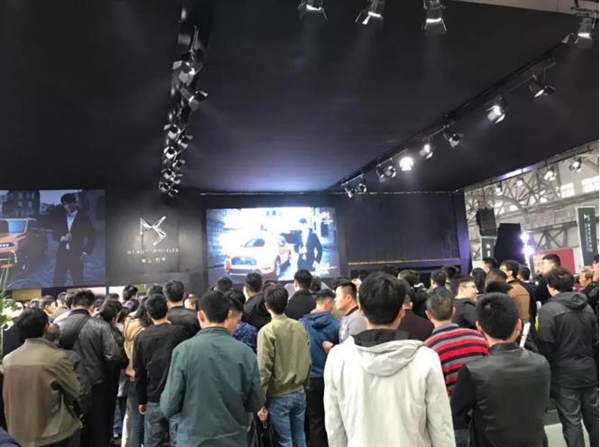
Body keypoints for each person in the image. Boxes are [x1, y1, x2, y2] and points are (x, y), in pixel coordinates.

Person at [324, 272, 454, 446]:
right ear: (401, 312)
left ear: (361, 311)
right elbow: (441, 426)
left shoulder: (338, 358)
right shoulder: (426, 359)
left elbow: (334, 426)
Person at [160, 291, 264, 447]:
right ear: (228, 315)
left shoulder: (183, 351)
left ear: (201, 316)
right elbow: (256, 401)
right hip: (233, 438)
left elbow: (169, 406)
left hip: (193, 439)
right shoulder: (245, 352)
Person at [451, 293, 550, 447]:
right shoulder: (541, 363)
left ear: (479, 327)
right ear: (518, 324)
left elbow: (457, 414)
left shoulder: (473, 370)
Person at [537, 267, 599, 447]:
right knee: (595, 419)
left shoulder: (548, 311)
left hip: (563, 374)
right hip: (588, 370)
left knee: (572, 422)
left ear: (550, 287)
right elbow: (596, 341)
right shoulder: (587, 307)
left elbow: (545, 344)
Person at [3, 309, 82, 447]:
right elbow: (75, 391)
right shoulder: (56, 358)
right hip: (54, 433)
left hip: (17, 432)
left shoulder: (8, 360)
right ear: (46, 327)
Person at [57, 290, 124, 447]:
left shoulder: (58, 325)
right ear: (92, 307)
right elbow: (113, 356)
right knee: (97, 427)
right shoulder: (100, 325)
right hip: (96, 384)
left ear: (71, 305)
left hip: (67, 383)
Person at [424, 290, 488, 447]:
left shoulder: (428, 348)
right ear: (453, 311)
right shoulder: (478, 337)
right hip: (484, 412)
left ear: (428, 315)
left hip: (452, 419)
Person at [257, 285, 311, 447]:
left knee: (285, 441)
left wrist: (260, 400)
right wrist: (305, 385)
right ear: (287, 303)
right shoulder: (299, 326)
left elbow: (263, 369)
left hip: (278, 395)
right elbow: (308, 359)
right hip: (299, 390)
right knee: (300, 436)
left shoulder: (267, 331)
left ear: (266, 306)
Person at [133, 294, 188, 447]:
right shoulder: (180, 332)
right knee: (179, 441)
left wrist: (141, 400)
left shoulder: (141, 337)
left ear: (148, 314)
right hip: (178, 396)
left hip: (153, 396)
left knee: (153, 441)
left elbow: (139, 371)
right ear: (167, 308)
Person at [299, 289, 340, 447]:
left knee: (314, 420)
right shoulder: (336, 324)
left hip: (309, 378)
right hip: (330, 378)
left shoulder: (301, 324)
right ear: (328, 302)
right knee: (334, 418)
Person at [122, 297, 152, 447]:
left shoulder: (129, 324)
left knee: (135, 421)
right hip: (144, 378)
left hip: (131, 375)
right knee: (144, 423)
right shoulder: (145, 331)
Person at [52, 193, 97, 286]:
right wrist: (62, 238)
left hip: (76, 254)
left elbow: (92, 235)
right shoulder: (62, 217)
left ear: (75, 202)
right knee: (57, 281)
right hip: (62, 254)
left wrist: (86, 252)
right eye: (65, 204)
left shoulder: (84, 217)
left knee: (78, 281)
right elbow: (54, 233)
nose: (67, 206)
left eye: (69, 203)